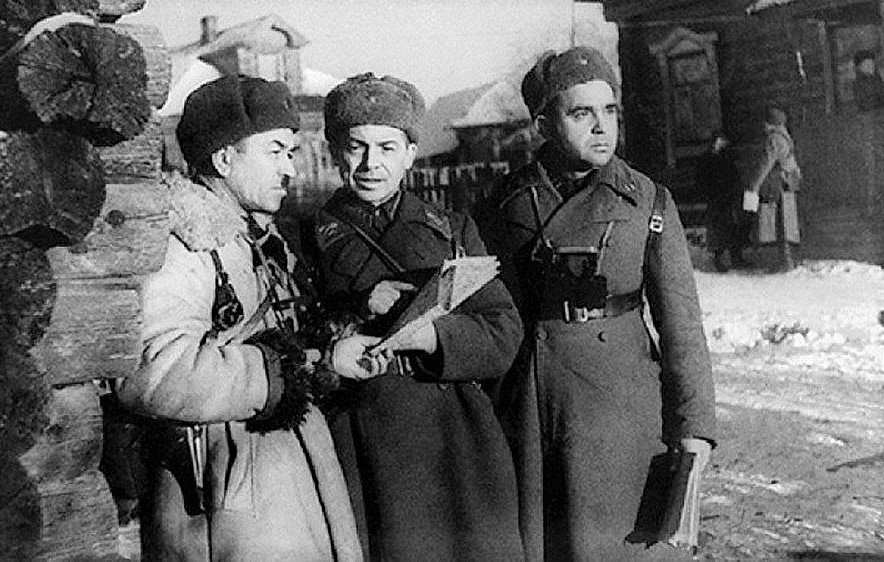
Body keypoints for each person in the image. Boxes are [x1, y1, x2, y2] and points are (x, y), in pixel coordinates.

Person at [116, 75, 375, 561]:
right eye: (275, 151)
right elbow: (155, 374)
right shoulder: (185, 246)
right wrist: (285, 372)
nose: (289, 169)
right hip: (224, 491)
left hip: (277, 477)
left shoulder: (261, 241)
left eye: (291, 152)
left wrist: (330, 350)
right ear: (223, 159)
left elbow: (285, 346)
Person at [475, 47, 717, 561]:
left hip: (621, 406)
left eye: (609, 110)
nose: (601, 127)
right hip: (534, 406)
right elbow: (486, 315)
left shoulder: (648, 200)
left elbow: (682, 325)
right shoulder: (504, 204)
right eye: (581, 113)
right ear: (544, 125)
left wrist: (694, 426)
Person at [310, 73, 526, 561]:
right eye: (356, 147)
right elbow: (294, 341)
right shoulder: (306, 240)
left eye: (387, 147)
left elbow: (503, 332)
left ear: (410, 154)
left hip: (456, 442)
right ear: (335, 152)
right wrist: (355, 309)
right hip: (360, 444)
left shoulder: (451, 230)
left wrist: (433, 337)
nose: (371, 164)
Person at [746, 105, 802, 271]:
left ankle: (785, 261)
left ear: (770, 123)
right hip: (789, 181)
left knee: (778, 220)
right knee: (787, 220)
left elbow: (766, 163)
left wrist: (754, 185)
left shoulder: (774, 139)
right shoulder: (785, 137)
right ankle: (789, 259)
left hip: (777, 183)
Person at [696, 132, 747, 271]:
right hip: (716, 198)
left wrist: (736, 191)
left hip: (729, 196)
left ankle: (736, 257)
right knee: (718, 229)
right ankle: (718, 258)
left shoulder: (728, 156)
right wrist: (707, 193)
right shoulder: (707, 158)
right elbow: (701, 179)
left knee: (733, 226)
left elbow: (735, 175)